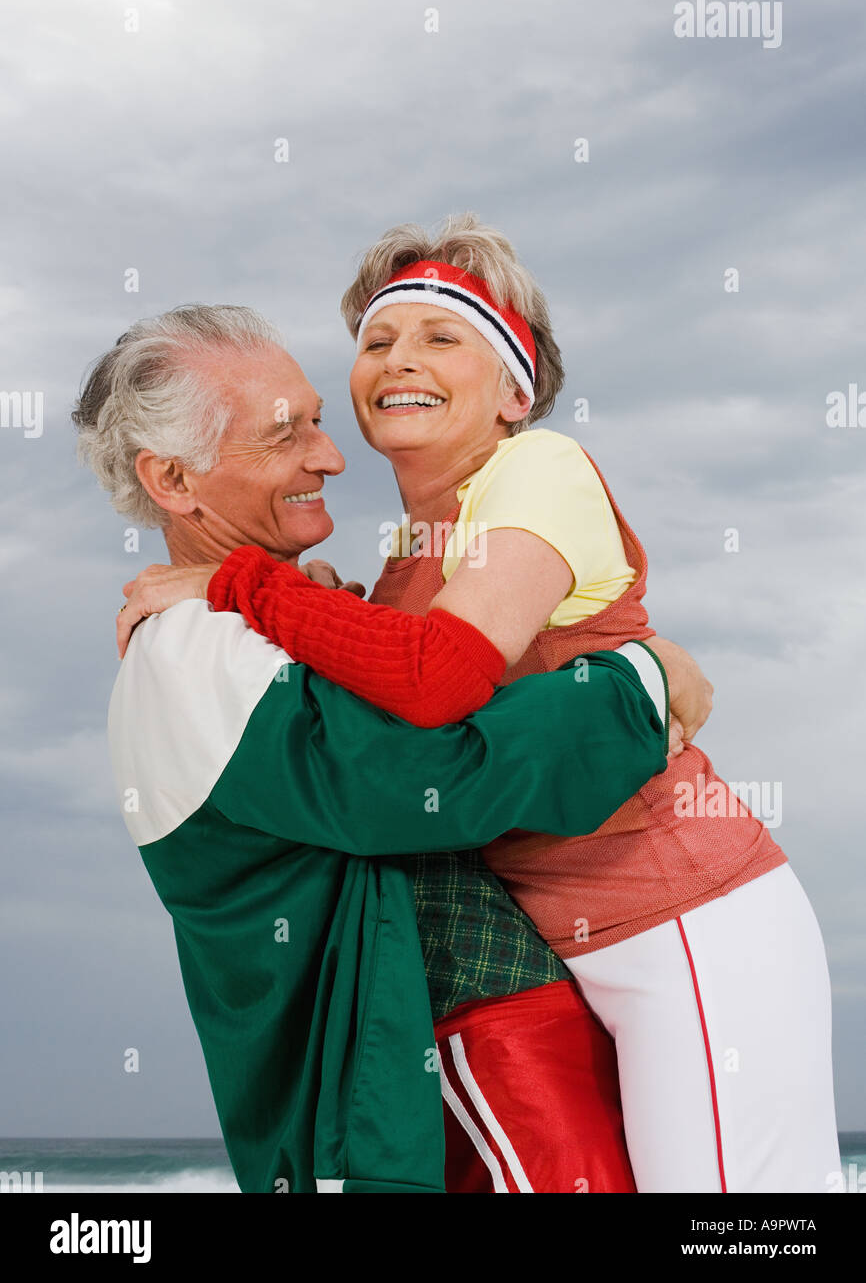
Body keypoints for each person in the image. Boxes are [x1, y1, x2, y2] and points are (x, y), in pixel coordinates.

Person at [126, 218, 841, 1193]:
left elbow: (436, 681)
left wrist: (238, 582)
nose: (397, 360)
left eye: (440, 337)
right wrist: (311, 600)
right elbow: (383, 720)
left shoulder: (539, 469)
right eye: (378, 341)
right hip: (567, 944)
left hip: (682, 915)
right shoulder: (406, 556)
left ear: (514, 391)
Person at [73, 303, 682, 1193]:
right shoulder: (192, 652)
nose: (330, 457)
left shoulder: (253, 623)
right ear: (172, 480)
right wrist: (641, 684)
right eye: (286, 436)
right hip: (446, 1094)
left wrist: (303, 599)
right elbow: (433, 776)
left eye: (319, 421)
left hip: (473, 1075)